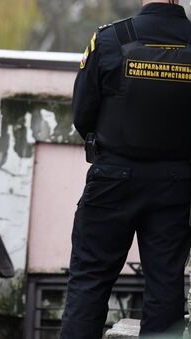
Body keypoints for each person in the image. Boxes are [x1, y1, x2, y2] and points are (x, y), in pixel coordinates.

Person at [61, 1, 191, 338]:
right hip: (177, 183)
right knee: (166, 284)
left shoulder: (110, 39)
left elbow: (83, 112)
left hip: (112, 177)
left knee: (90, 279)